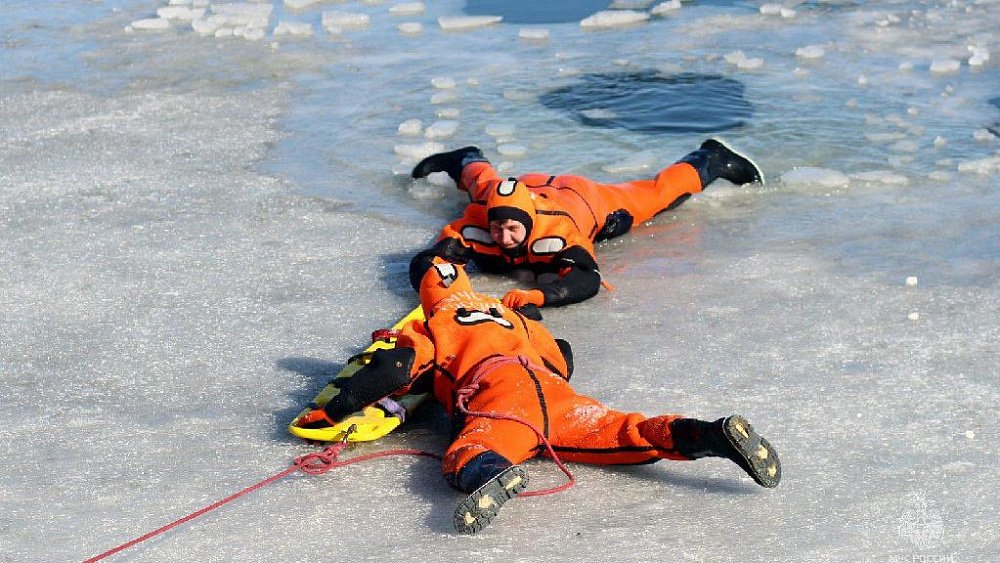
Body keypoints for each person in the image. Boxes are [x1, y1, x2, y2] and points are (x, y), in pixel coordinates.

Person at [299, 259, 781, 534]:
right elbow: (563, 354)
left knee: (470, 449)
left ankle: (496, 472)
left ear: (426, 295)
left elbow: (395, 368)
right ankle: (714, 435)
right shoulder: (517, 318)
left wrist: (330, 411)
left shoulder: (432, 325)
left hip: (501, 400)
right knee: (626, 430)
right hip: (556, 391)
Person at [408, 139, 764, 309]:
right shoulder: (480, 219)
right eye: (498, 228)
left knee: (654, 197)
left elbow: (587, 280)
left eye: (513, 229)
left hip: (580, 199)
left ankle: (711, 158)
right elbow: (429, 259)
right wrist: (442, 285)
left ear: (530, 226)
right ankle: (466, 156)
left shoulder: (559, 235)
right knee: (483, 184)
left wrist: (538, 295)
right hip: (524, 188)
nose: (502, 237)